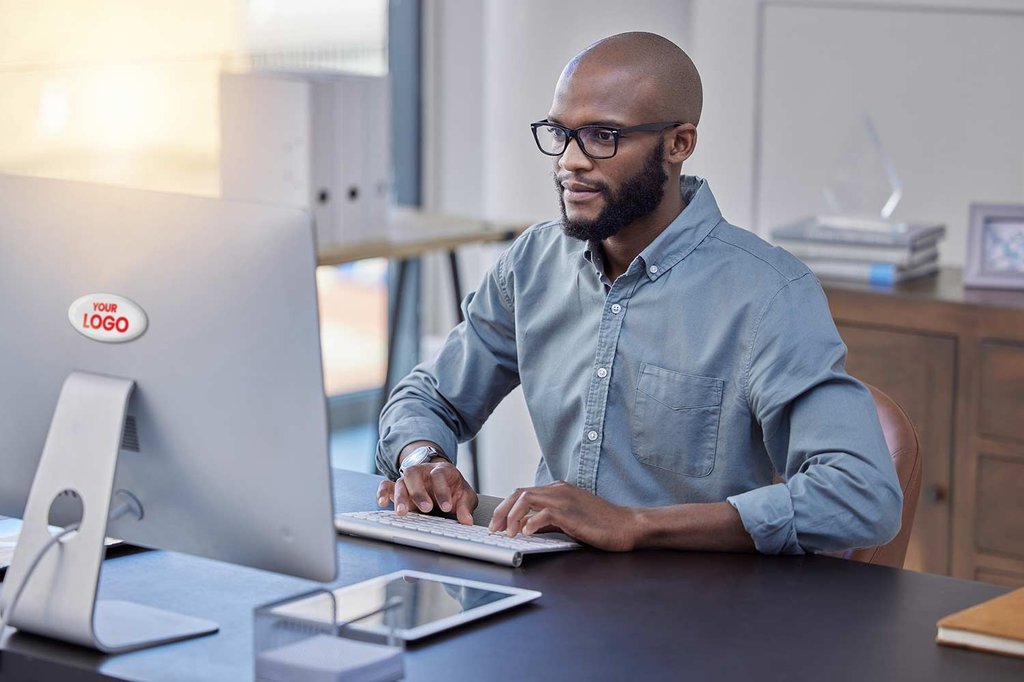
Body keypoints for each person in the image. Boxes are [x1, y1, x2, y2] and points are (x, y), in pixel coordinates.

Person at [374, 31, 902, 555]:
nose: (570, 162)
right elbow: (430, 397)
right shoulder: (534, 264)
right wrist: (424, 459)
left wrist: (636, 524)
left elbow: (862, 495)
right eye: (561, 133)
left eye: (603, 136)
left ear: (679, 144)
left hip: (703, 613)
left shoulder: (769, 294)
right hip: (555, 592)